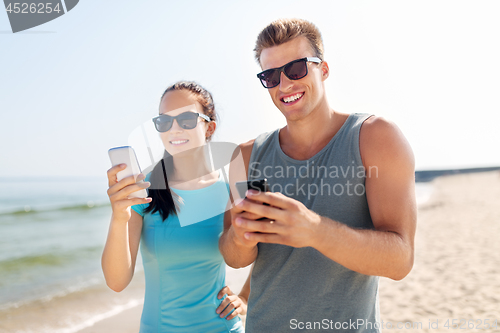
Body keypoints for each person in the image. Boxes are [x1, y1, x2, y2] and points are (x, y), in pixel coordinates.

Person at [219, 19, 417, 332]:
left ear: (323, 69)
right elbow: (234, 258)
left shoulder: (376, 138)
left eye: (296, 69)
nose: (284, 85)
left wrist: (314, 230)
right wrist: (241, 237)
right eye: (270, 76)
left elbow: (400, 260)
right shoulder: (243, 156)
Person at [102, 81, 248, 333]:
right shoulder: (145, 190)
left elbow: (268, 248)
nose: (174, 129)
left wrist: (245, 297)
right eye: (164, 121)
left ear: (209, 127)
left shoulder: (228, 192)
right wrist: (118, 217)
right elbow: (116, 282)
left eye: (187, 119)